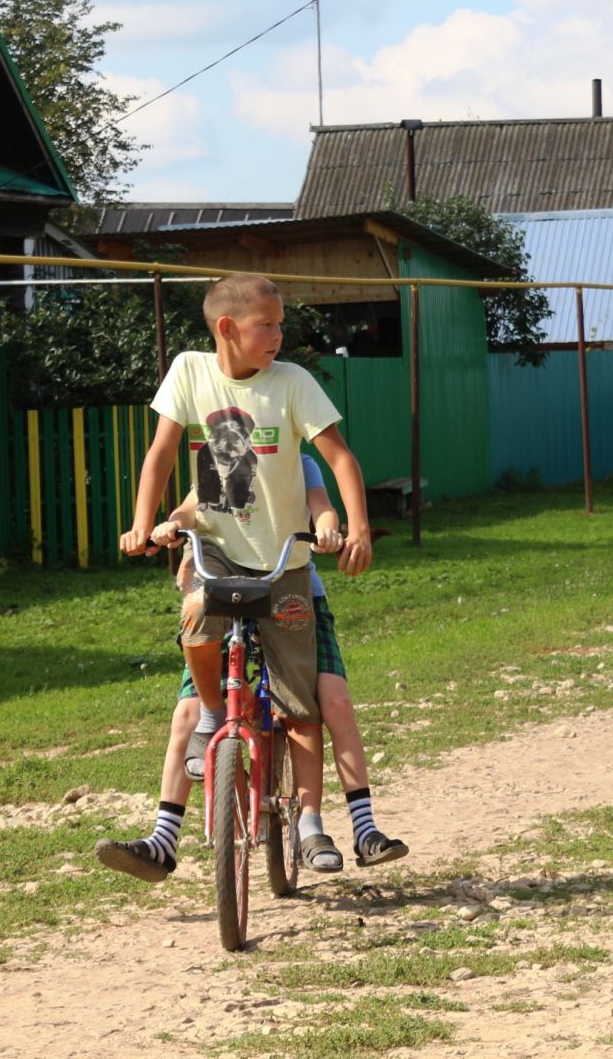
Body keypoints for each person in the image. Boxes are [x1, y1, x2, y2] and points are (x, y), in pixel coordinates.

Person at [120, 273, 374, 872]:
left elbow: (337, 457)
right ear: (227, 329)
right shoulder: (190, 372)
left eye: (282, 323)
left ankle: (312, 823)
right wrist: (144, 522)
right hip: (219, 554)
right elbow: (162, 451)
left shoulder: (292, 383)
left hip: (285, 562)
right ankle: (213, 716)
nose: (280, 335)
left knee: (300, 698)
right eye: (269, 324)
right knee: (196, 629)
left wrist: (355, 528)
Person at [96, 453, 405, 881]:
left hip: (291, 594)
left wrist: (328, 525)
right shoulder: (221, 458)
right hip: (224, 593)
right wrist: (173, 523)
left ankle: (347, 825)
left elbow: (320, 502)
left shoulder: (299, 463)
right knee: (189, 712)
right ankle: (163, 838)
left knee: (328, 699)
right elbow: (192, 507)